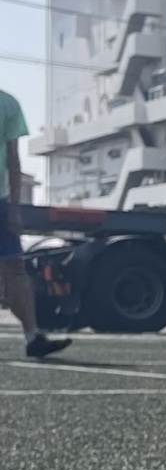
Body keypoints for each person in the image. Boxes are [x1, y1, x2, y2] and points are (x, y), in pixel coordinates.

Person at [0, 88, 69, 361]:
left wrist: (14, 207)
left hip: (0, 200)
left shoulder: (7, 103)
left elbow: (13, 160)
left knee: (15, 267)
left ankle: (33, 337)